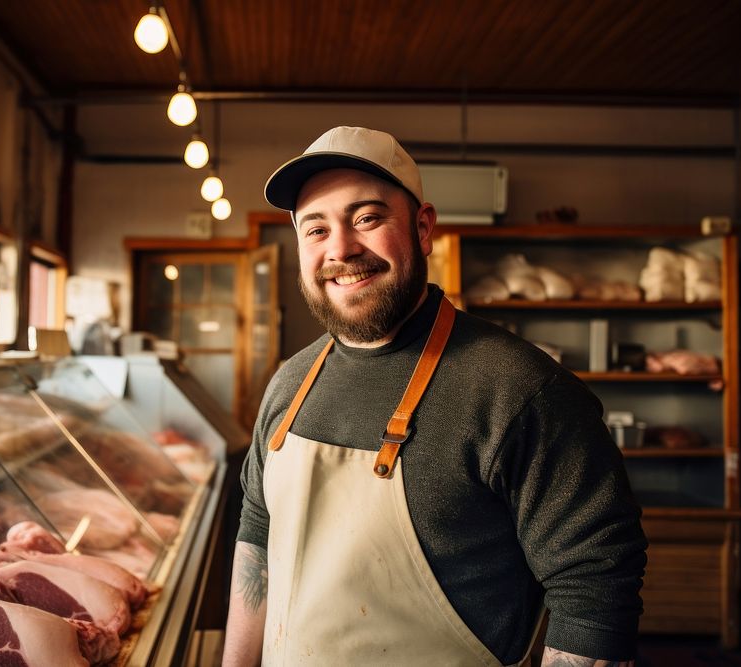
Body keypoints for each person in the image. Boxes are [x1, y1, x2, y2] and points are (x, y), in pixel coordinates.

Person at [222, 126, 647, 667]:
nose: (341, 248)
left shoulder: (519, 388)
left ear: (423, 229)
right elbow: (258, 534)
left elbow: (595, 587)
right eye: (316, 229)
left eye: (367, 218)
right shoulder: (289, 383)